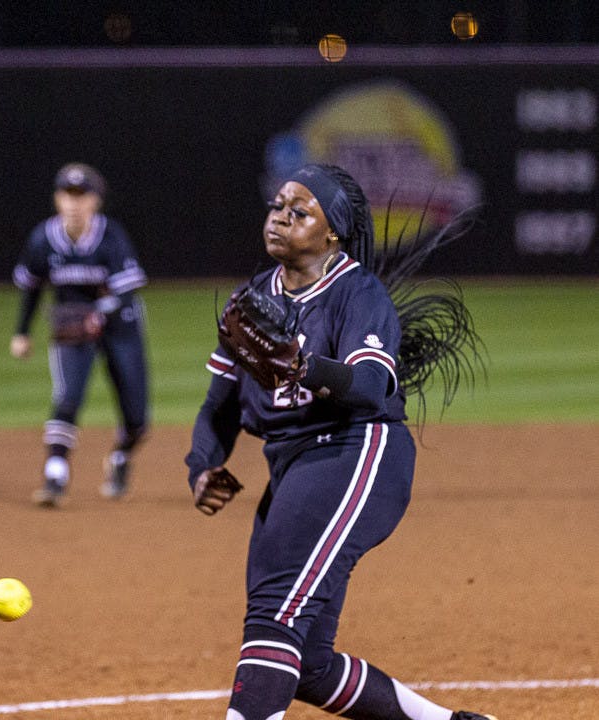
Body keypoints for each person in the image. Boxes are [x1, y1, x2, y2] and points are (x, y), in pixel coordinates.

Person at [185, 163, 494, 720]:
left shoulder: (358, 292)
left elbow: (372, 386)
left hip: (356, 451)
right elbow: (218, 405)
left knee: (275, 613)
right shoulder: (250, 300)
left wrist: (306, 367)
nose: (280, 218)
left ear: (332, 233)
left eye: (299, 211)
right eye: (278, 206)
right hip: (294, 468)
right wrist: (203, 465)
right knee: (306, 665)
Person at [11, 162, 149, 507]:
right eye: (66, 195)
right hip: (73, 332)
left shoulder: (110, 237)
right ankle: (55, 476)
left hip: (121, 328)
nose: (73, 203)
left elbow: (126, 295)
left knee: (136, 419)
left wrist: (98, 314)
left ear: (95, 201)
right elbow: (31, 287)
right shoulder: (43, 239)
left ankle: (119, 456)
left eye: (81, 195)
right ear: (57, 199)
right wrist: (22, 332)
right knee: (67, 397)